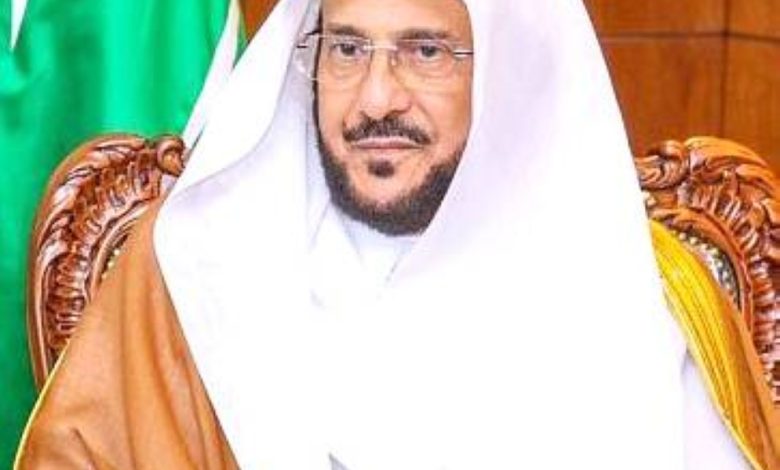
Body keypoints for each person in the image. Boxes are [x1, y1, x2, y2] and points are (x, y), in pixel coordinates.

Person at [14, 0, 779, 468]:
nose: (376, 99)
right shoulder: (189, 271)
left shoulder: (642, 304)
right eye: (347, 49)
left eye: (425, 52)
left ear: (509, 73)